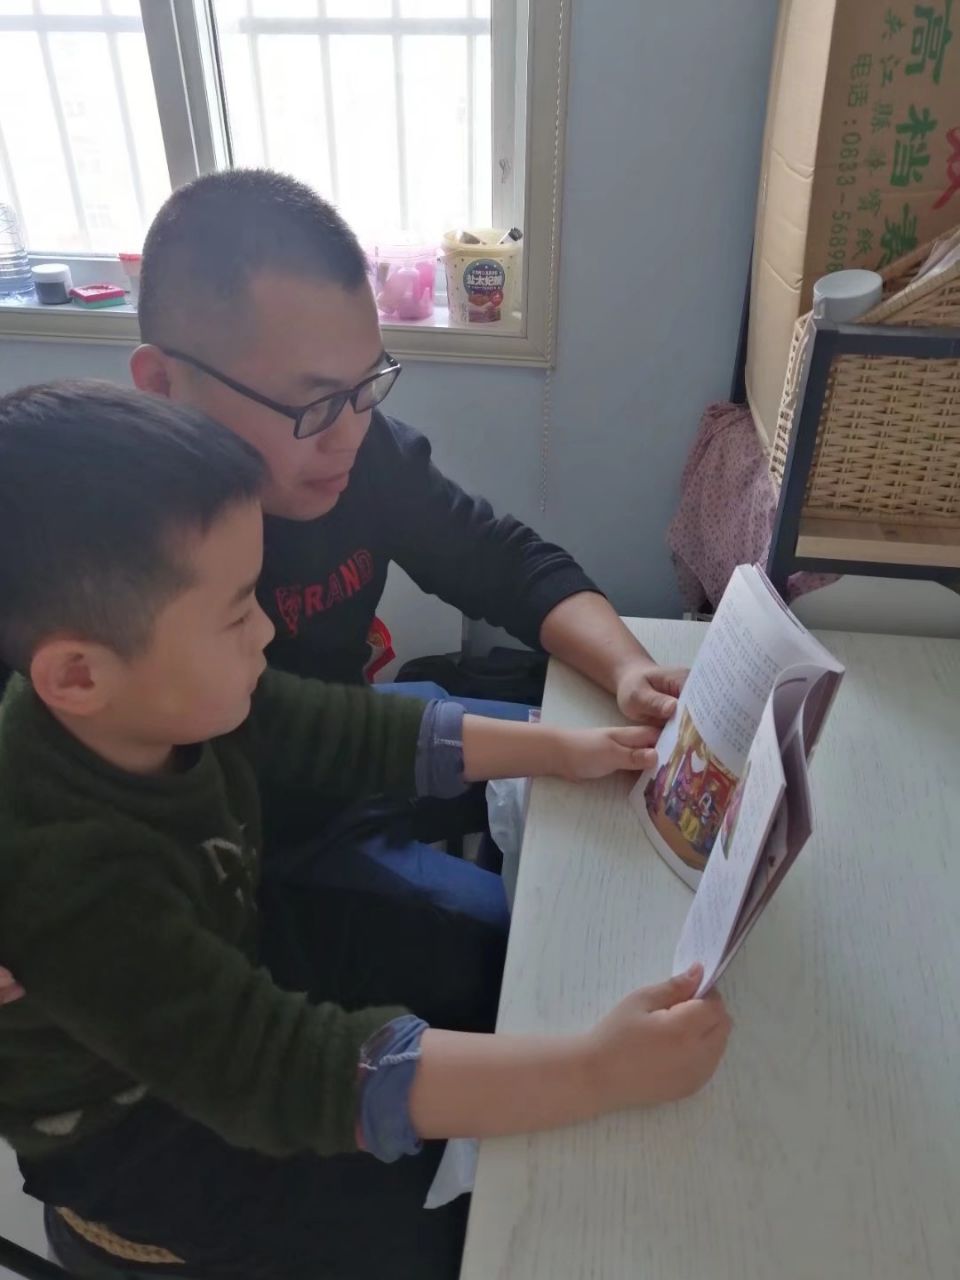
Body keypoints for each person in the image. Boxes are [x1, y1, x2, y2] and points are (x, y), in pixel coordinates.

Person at [0, 383, 731, 1280]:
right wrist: (594, 1073)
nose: (269, 628)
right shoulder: (71, 878)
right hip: (153, 1153)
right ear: (79, 676)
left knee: (489, 990)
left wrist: (561, 749)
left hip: (226, 964)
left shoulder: (152, 699)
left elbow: (343, 727)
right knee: (470, 1226)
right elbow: (283, 1069)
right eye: (236, 612)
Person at [128, 168, 688, 915]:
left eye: (367, 386)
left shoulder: (361, 453)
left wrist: (628, 669)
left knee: (616, 765)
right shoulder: (104, 562)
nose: (351, 435)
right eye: (315, 404)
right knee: (508, 941)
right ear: (163, 385)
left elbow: (501, 559)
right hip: (258, 851)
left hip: (371, 743)